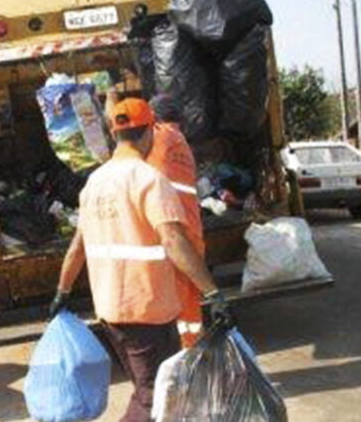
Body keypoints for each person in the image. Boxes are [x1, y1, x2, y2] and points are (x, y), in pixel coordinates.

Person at [49, 98, 229, 422]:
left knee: (153, 390)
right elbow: (174, 240)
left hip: (110, 312)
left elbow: (77, 247)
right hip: (147, 312)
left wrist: (62, 293)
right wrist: (212, 292)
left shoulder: (94, 183)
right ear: (149, 132)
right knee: (153, 398)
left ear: (114, 133)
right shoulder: (148, 180)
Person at [147, 92, 206, 348]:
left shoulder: (160, 137)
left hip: (174, 235)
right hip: (190, 232)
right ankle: (191, 351)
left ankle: (188, 357)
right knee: (189, 303)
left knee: (179, 305)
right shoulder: (179, 140)